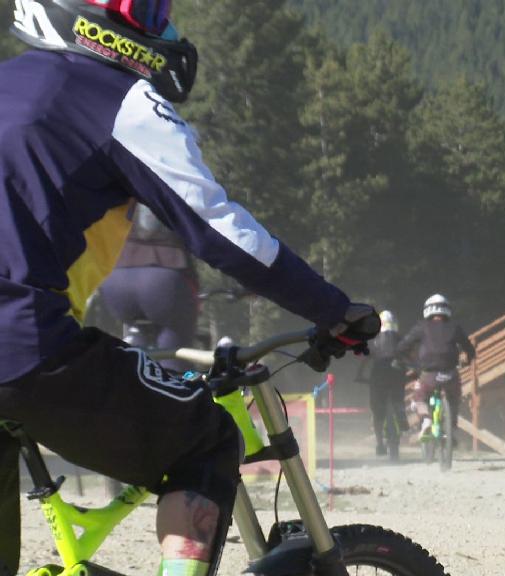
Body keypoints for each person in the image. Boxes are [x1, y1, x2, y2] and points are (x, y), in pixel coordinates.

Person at [0, 2, 379, 574]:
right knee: (209, 441)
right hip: (21, 347)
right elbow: (222, 232)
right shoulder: (119, 100)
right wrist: (333, 309)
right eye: (147, 7)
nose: (161, 21)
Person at [99, 204, 199, 371]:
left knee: (137, 349)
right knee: (173, 349)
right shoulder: (171, 195)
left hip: (115, 279)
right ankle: (172, 376)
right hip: (164, 280)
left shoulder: (127, 191)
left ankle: (134, 348)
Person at [396, 295, 475, 440]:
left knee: (419, 398)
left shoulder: (421, 327)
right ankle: (451, 428)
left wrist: (411, 364)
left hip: (428, 375)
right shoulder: (455, 327)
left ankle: (426, 419)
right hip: (450, 373)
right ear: (447, 310)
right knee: (454, 398)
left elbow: (401, 347)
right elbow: (469, 348)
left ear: (428, 310)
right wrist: (468, 360)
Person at [361, 310, 409, 457]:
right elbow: (407, 355)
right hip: (396, 374)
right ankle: (401, 415)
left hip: (378, 376)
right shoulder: (400, 338)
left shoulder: (374, 339)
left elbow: (366, 358)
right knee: (398, 397)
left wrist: (360, 375)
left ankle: (379, 443)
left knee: (377, 412)